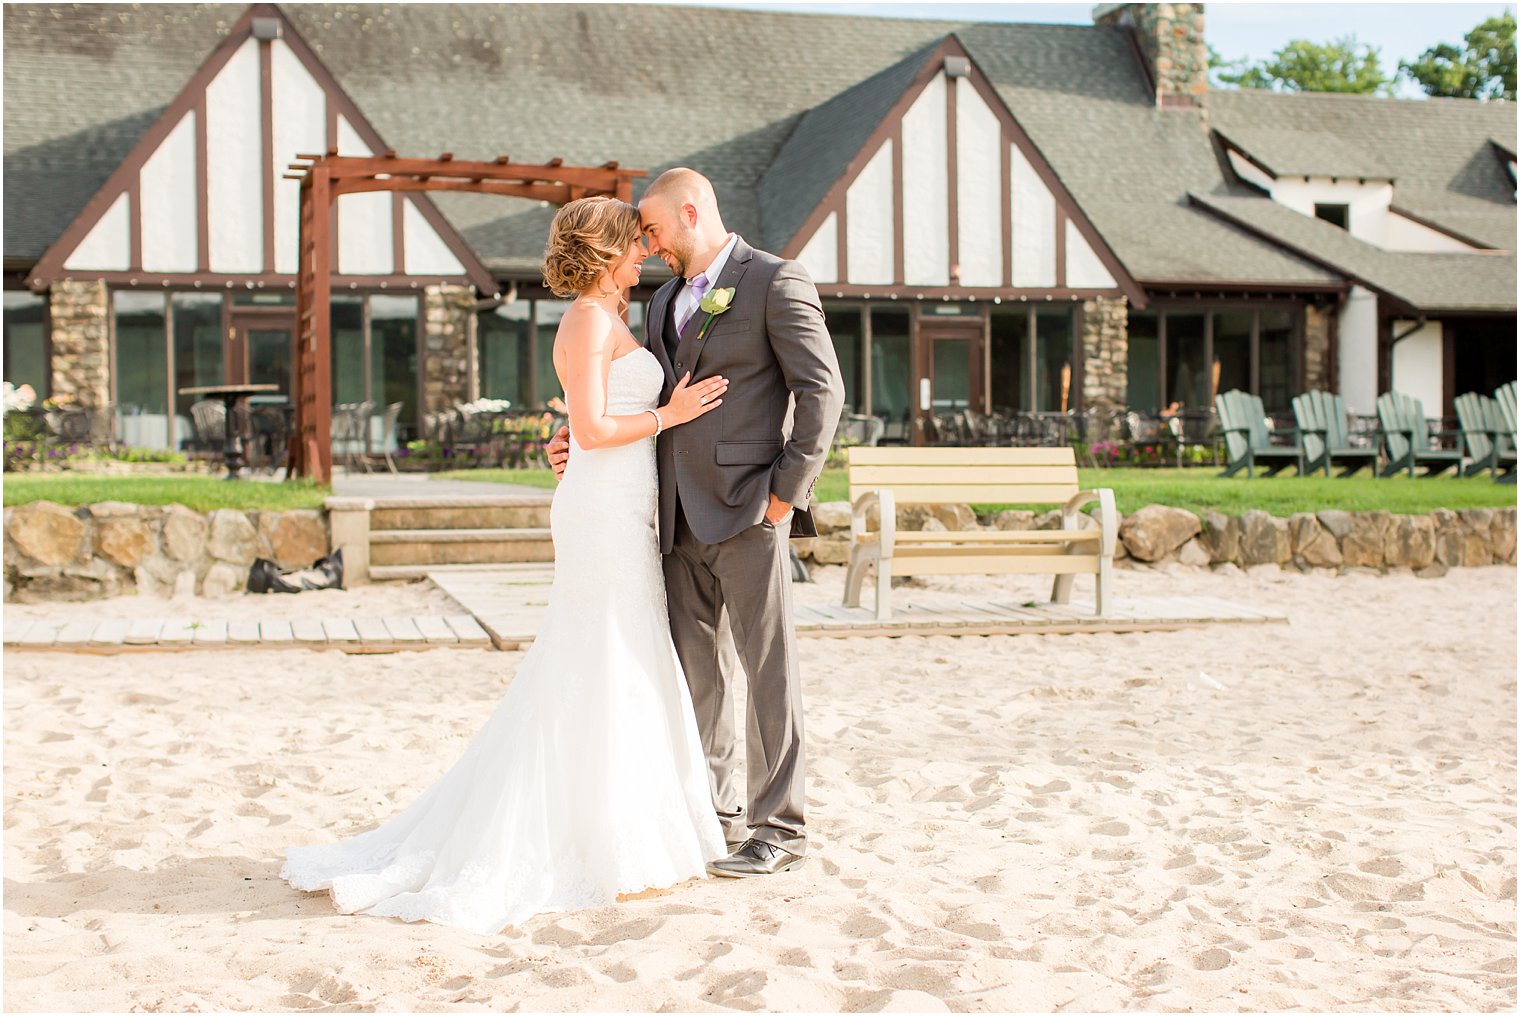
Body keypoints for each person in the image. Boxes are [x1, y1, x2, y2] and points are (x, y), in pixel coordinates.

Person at [281, 196, 730, 934]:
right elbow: (590, 425)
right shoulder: (588, 320)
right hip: (599, 512)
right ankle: (585, 837)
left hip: (622, 502)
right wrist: (668, 417)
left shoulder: (614, 320)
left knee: (616, 654)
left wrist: (593, 440)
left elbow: (578, 427)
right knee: (600, 655)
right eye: (633, 242)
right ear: (607, 252)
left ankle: (621, 823)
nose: (645, 250)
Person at [547, 168, 844, 878]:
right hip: (667, 518)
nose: (645, 242)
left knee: (767, 671)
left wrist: (785, 496)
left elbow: (821, 390)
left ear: (689, 211)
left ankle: (779, 828)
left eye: (651, 228)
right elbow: (625, 395)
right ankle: (714, 814)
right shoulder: (658, 304)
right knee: (697, 677)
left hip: (748, 511)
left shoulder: (776, 280)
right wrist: (568, 438)